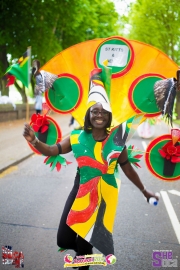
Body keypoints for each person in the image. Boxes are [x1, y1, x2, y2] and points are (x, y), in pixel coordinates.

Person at [23, 69, 159, 270]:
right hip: (80, 187)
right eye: (95, 111)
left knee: (86, 241)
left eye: (103, 112)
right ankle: (83, 253)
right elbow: (52, 150)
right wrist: (34, 140)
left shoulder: (116, 141)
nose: (99, 115)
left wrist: (144, 191)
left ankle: (84, 258)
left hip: (104, 193)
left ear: (109, 115)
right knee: (63, 239)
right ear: (89, 114)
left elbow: (128, 169)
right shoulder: (77, 137)